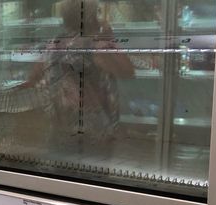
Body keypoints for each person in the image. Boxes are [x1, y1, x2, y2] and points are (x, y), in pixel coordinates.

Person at [20, 0, 135, 153]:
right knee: (91, 174)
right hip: (93, 132)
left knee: (59, 171)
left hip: (60, 125)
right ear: (92, 17)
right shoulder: (97, 45)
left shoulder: (55, 43)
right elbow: (127, 72)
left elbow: (33, 77)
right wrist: (109, 38)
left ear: (65, 19)